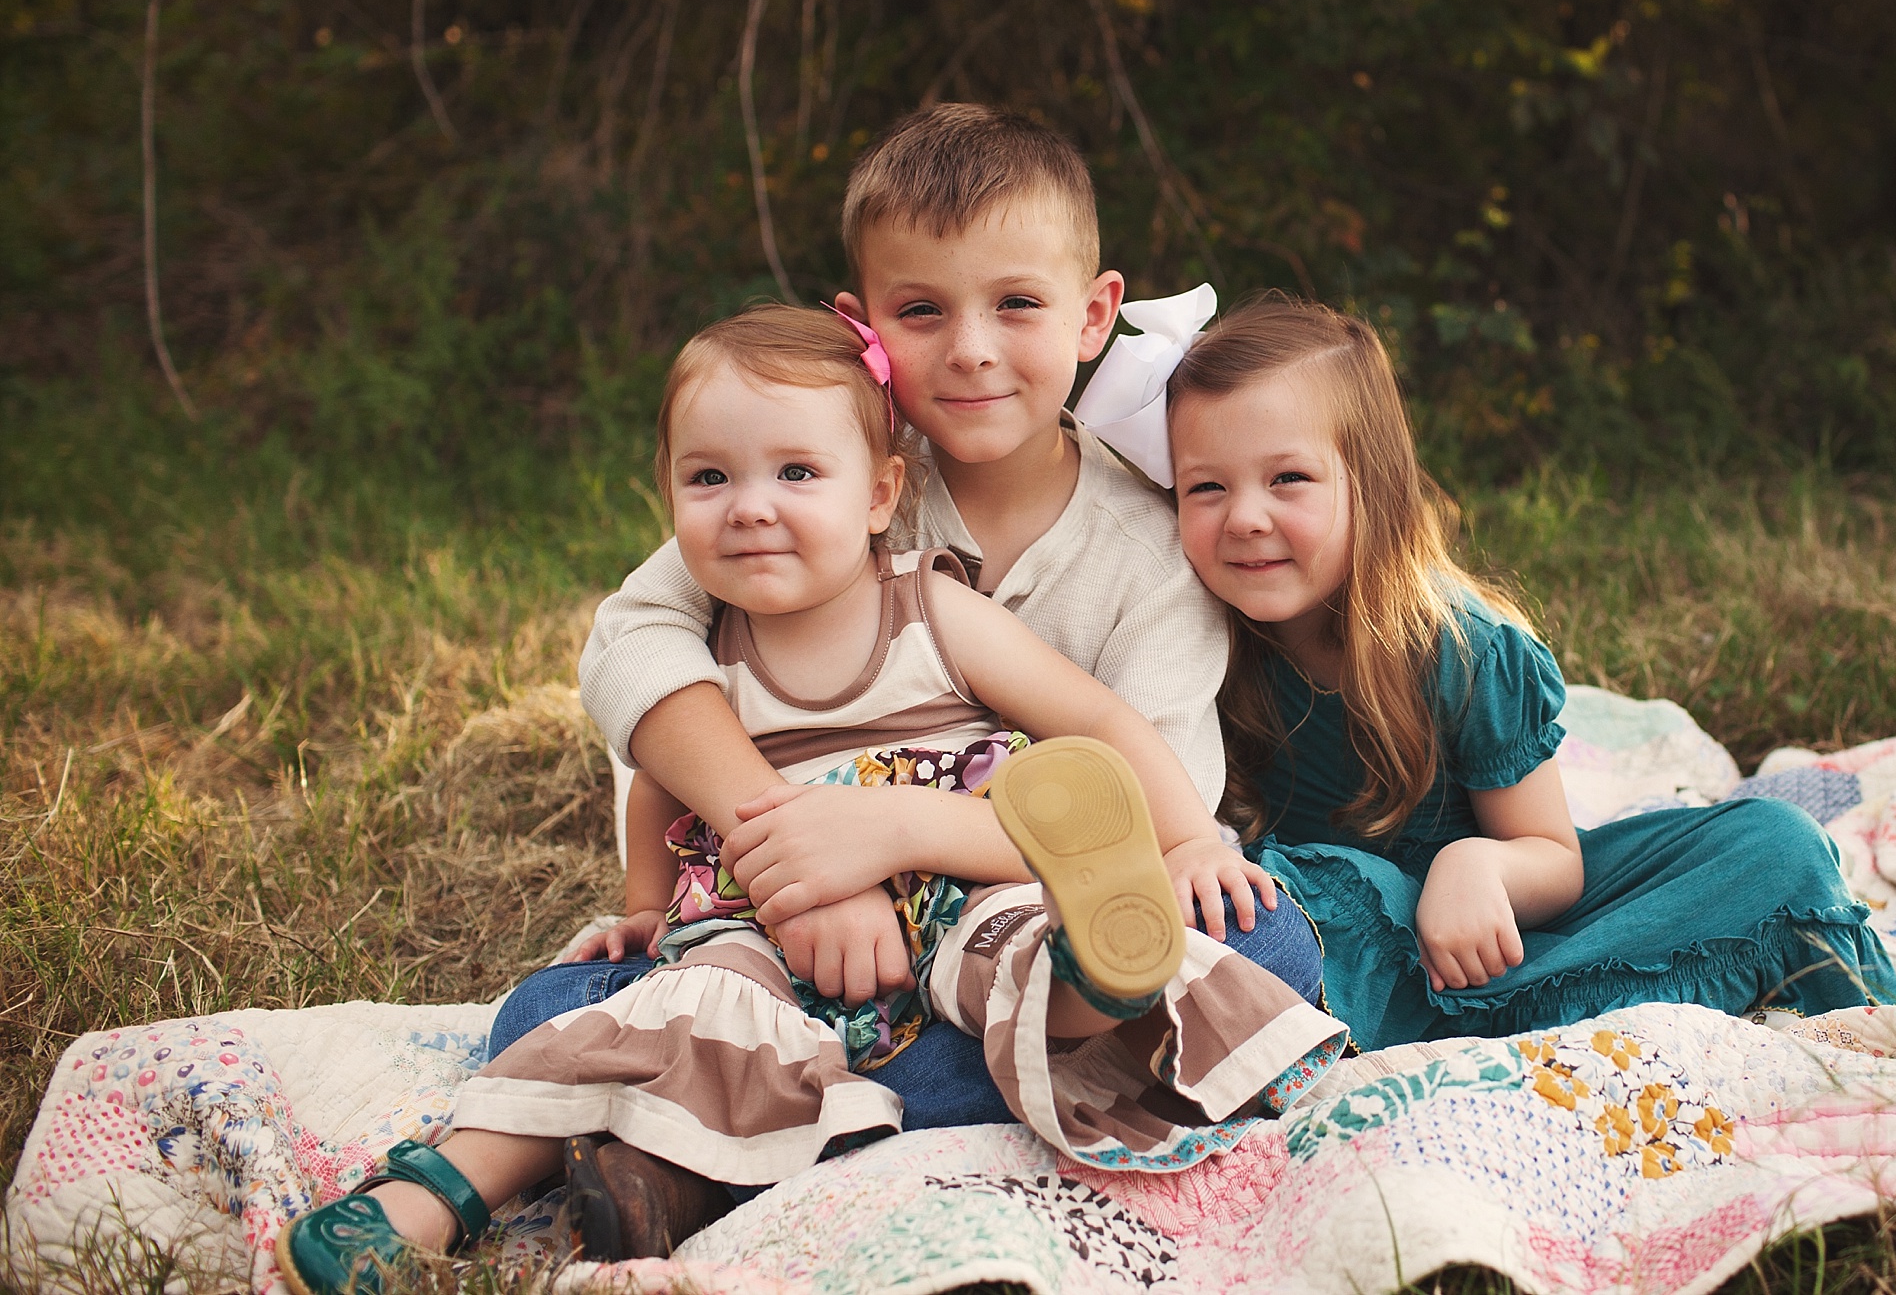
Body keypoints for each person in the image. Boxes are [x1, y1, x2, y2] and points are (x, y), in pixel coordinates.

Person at [272, 306, 1345, 1295]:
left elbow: (1105, 727)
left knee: (1021, 942)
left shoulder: (930, 606)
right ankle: (426, 1202)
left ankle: (1080, 981)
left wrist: (1188, 836)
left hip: (958, 884)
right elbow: (656, 785)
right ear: (670, 495)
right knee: (670, 1007)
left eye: (794, 473)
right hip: (759, 924)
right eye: (708, 482)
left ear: (881, 492)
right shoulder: (703, 655)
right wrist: (645, 902)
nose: (751, 509)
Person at [488, 104, 1326, 1120]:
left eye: (1017, 303)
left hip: (1026, 925)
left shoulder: (1152, 553)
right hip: (798, 934)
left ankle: (787, 1096)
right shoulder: (830, 483)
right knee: (541, 1013)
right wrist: (799, 860)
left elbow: (1153, 817)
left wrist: (892, 828)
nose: (971, 350)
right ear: (862, 326)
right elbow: (631, 638)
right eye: (922, 311)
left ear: (1095, 315)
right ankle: (893, 1084)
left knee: (1264, 944)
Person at [1160, 297, 1896, 1051]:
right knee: (1285, 899)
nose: (1245, 518)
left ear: (1373, 485)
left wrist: (1476, 866)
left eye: (1288, 478)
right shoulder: (1202, 636)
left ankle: (1545, 995)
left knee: (1774, 844)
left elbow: (1554, 860)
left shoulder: (1464, 648)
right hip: (1350, 923)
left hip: (1507, 921)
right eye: (1207, 488)